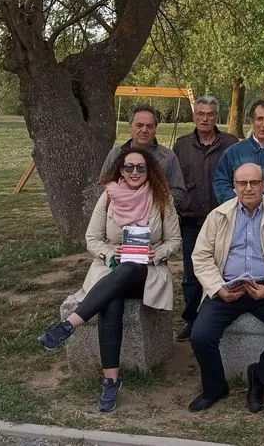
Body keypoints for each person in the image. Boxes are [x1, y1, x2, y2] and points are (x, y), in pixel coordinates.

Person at [38, 147, 181, 412]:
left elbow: (175, 240)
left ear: (149, 171)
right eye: (129, 167)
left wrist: (156, 253)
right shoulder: (108, 197)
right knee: (111, 299)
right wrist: (108, 252)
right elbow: (92, 239)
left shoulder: (162, 198)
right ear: (120, 170)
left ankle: (69, 325)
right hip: (110, 268)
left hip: (146, 271)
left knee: (128, 270)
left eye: (141, 167)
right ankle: (111, 381)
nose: (135, 172)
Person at [188, 163, 264, 413]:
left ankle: (259, 378)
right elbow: (202, 257)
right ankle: (215, 387)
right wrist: (218, 288)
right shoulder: (218, 215)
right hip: (228, 288)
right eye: (242, 183)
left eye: (254, 183)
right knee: (201, 335)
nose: (248, 188)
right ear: (234, 186)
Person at [172, 95, 238, 341]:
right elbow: (176, 182)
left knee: (223, 270)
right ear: (194, 116)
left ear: (216, 117)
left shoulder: (231, 143)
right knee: (192, 274)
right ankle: (192, 319)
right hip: (191, 220)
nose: (205, 118)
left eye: (210, 114)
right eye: (200, 113)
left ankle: (220, 317)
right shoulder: (181, 145)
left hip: (223, 220)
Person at [213, 101, 264, 209]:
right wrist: (237, 207)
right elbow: (220, 183)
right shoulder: (233, 153)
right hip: (238, 218)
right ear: (252, 121)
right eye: (260, 119)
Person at [102, 104, 187, 209]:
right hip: (119, 217)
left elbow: (179, 192)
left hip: (155, 219)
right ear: (131, 127)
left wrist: (151, 204)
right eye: (139, 125)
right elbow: (103, 185)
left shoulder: (168, 157)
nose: (144, 130)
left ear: (155, 129)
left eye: (149, 126)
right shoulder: (116, 154)